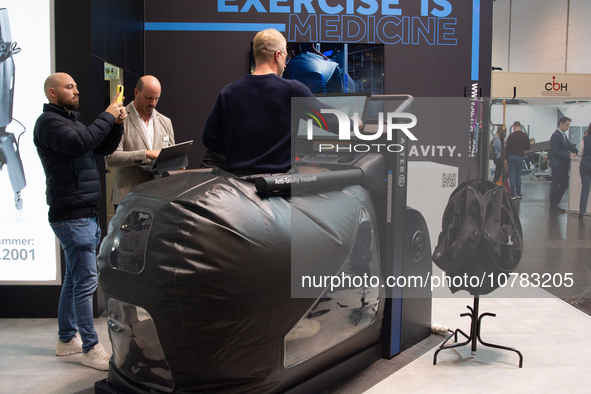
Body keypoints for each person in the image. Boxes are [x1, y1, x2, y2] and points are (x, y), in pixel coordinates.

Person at [33, 72, 126, 370]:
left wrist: (116, 125)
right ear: (52, 93)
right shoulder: (49, 123)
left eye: (75, 85)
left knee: (75, 280)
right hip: (72, 216)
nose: (76, 91)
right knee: (86, 282)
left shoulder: (70, 121)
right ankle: (90, 346)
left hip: (81, 212)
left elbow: (99, 147)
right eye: (69, 87)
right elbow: (81, 142)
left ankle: (65, 340)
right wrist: (108, 115)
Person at [202, 28, 338, 175]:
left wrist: (239, 150)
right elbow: (331, 122)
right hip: (276, 185)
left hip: (237, 184)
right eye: (286, 58)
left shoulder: (228, 92)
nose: (285, 64)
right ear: (277, 55)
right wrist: (355, 122)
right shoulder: (292, 90)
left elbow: (210, 138)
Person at [106, 76, 174, 206]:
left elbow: (168, 157)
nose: (153, 103)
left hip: (158, 199)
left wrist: (175, 163)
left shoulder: (165, 122)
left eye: (156, 98)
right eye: (148, 98)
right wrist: (146, 154)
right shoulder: (119, 118)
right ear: (136, 92)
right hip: (129, 200)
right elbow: (111, 158)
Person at [549, 116, 578, 213]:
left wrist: (580, 153)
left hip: (563, 165)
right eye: (567, 125)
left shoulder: (563, 136)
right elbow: (555, 151)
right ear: (561, 123)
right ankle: (553, 205)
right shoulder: (555, 136)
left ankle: (555, 202)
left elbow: (570, 146)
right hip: (557, 164)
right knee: (555, 184)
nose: (568, 127)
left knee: (565, 183)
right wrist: (569, 155)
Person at [505, 121, 531, 199]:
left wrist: (505, 158)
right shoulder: (525, 136)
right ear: (520, 126)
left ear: (514, 126)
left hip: (511, 157)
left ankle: (513, 194)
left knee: (512, 175)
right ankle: (519, 193)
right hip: (520, 157)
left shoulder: (511, 136)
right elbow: (528, 147)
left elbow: (507, 148)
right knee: (518, 176)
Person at [578, 123, 591, 218]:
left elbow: (580, 153)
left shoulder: (585, 139)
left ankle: (582, 212)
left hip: (585, 166)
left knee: (585, 189)